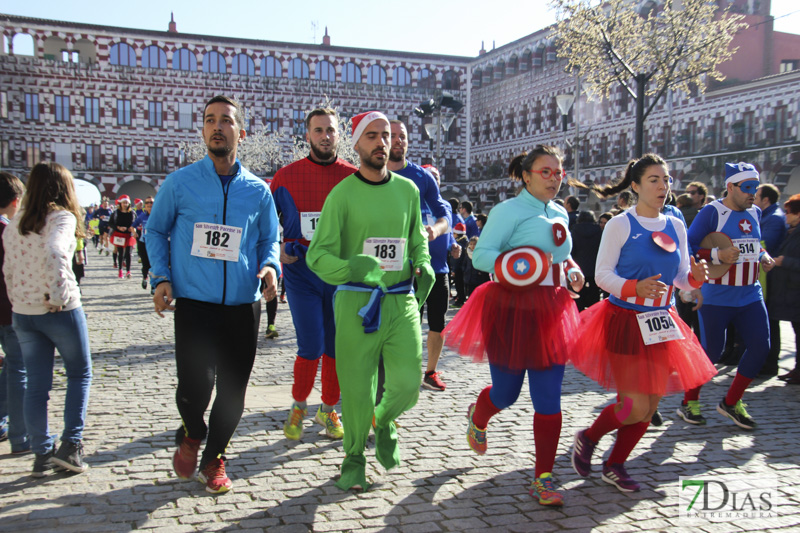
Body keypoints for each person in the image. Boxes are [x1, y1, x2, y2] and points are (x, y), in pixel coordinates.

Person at [147, 95, 281, 494]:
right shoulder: (180, 182)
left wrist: (271, 267)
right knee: (195, 388)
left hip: (243, 304)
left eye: (226, 120)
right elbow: (155, 230)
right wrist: (161, 277)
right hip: (195, 303)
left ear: (241, 132)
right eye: (210, 120)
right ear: (203, 130)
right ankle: (193, 431)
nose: (217, 126)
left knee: (233, 393)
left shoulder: (258, 191)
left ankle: (215, 457)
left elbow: (269, 239)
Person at [443, 145, 585, 506]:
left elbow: (562, 254)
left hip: (552, 309)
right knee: (506, 393)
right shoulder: (508, 211)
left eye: (558, 173)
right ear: (525, 175)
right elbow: (482, 254)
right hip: (511, 308)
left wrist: (571, 270)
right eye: (546, 172)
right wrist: (521, 263)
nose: (554, 179)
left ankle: (544, 478)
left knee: (549, 399)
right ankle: (479, 414)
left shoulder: (558, 212)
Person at [568, 154, 715, 493]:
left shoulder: (676, 223)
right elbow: (602, 276)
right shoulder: (621, 224)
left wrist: (694, 277)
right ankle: (588, 438)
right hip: (626, 319)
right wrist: (635, 287)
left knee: (649, 406)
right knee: (632, 404)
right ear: (635, 186)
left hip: (664, 321)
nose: (663, 186)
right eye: (654, 179)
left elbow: (679, 278)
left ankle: (615, 464)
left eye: (667, 179)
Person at [306, 110, 434, 491]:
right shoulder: (342, 194)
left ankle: (386, 418)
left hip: (399, 300)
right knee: (358, 391)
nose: (383, 142)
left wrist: (423, 261)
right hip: (356, 305)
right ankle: (354, 457)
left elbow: (417, 239)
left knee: (410, 383)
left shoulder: (408, 190)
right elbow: (317, 255)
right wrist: (351, 267)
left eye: (387, 135)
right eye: (373, 136)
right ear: (357, 143)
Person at [270, 107, 356, 441]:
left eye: (330, 130)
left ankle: (329, 409)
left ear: (339, 135)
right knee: (311, 342)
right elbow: (262, 225)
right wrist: (277, 251)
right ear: (307, 135)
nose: (324, 136)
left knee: (335, 345)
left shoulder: (353, 177)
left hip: (339, 275)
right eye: (318, 130)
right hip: (301, 273)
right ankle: (298, 404)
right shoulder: (285, 177)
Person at [4, 162, 93, 477]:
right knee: (79, 373)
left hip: (24, 313)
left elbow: (8, 271)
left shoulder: (15, 224)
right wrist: (60, 295)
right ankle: (71, 444)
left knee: (36, 384)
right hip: (59, 310)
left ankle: (42, 452)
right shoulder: (61, 218)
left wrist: (19, 299)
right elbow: (56, 253)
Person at [683, 162, 776, 430]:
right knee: (711, 352)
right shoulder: (712, 212)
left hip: (750, 294)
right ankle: (689, 401)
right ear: (730, 187)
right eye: (747, 188)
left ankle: (731, 402)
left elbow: (753, 244)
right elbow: (690, 245)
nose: (752, 193)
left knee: (760, 347)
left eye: (755, 188)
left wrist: (763, 256)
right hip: (717, 295)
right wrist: (716, 255)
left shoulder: (756, 212)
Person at [388, 121, 454, 391]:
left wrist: (436, 232)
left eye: (402, 136)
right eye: (391, 136)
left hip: (435, 268)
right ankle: (397, 374)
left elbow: (444, 213)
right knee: (401, 325)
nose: (397, 141)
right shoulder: (371, 176)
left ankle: (430, 371)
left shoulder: (422, 177)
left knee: (437, 323)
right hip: (396, 267)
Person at [0, 172, 29, 454]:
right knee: (18, 369)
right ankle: (20, 436)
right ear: (16, 200)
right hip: (9, 311)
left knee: (10, 366)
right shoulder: (8, 231)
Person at [768, 194, 800, 383]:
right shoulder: (792, 231)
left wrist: (784, 261)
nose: (785, 216)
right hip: (790, 288)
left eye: (789, 213)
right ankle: (797, 368)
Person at [756, 183, 786, 376]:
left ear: (765, 199)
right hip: (767, 276)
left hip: (771, 277)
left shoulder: (774, 218)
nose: (753, 199)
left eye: (757, 196)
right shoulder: (768, 216)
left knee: (770, 322)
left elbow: (765, 244)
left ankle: (769, 363)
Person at [570, 210, 603, 311]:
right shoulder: (599, 230)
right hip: (594, 266)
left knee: (579, 292)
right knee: (594, 292)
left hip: (579, 265)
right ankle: (593, 313)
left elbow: (572, 250)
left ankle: (579, 315)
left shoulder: (574, 230)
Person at [109, 195, 137, 279]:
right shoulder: (116, 213)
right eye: (124, 203)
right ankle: (120, 270)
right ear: (120, 203)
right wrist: (118, 227)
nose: (125, 204)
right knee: (120, 252)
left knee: (128, 253)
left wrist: (132, 229)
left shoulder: (132, 213)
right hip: (119, 234)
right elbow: (110, 223)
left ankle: (128, 271)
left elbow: (135, 222)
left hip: (129, 235)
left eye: (127, 203)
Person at [132, 196, 153, 290]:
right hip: (143, 243)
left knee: (155, 265)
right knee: (145, 264)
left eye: (151, 202)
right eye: (147, 203)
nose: (149, 204)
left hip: (155, 244)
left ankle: (154, 285)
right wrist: (134, 233)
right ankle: (145, 278)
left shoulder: (159, 215)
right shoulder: (142, 216)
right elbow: (132, 225)